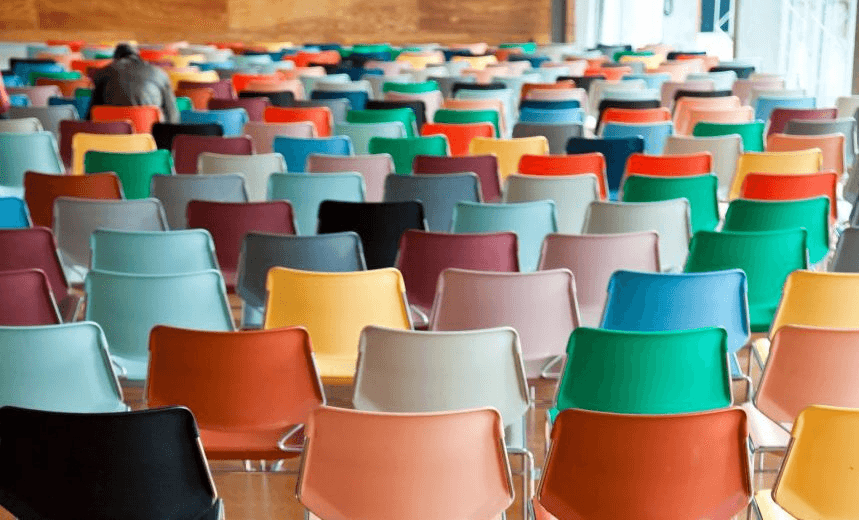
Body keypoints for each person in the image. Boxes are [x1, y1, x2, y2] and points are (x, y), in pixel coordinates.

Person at [88, 43, 179, 122]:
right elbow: (172, 116)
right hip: (149, 137)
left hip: (113, 137)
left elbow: (91, 116)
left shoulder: (103, 73)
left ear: (115, 59)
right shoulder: (160, 74)